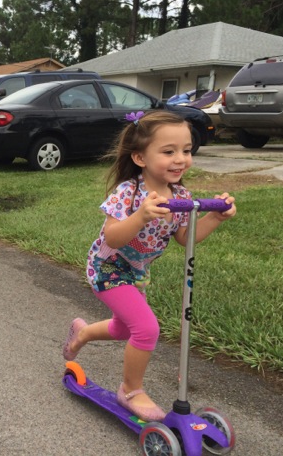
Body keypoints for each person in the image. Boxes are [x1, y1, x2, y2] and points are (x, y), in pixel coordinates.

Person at [62, 111, 236, 422]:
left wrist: (214, 217)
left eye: (186, 150)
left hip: (137, 272)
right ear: (140, 157)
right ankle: (130, 390)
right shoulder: (129, 193)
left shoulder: (182, 196)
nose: (180, 159)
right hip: (107, 268)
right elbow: (113, 238)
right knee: (146, 328)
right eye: (168, 151)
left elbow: (185, 238)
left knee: (123, 328)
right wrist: (140, 216)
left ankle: (84, 333)